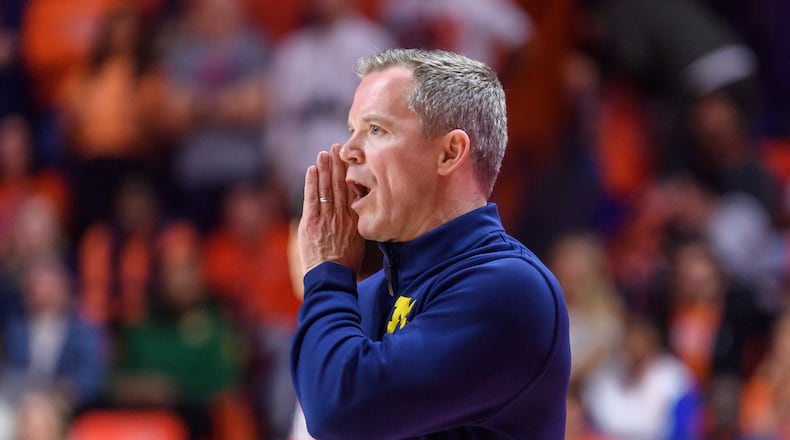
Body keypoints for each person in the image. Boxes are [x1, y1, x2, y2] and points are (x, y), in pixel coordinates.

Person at [290, 48, 571, 439]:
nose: (347, 150)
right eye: (351, 128)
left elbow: (338, 413)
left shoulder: (510, 289)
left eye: (375, 130)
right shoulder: (367, 295)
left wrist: (325, 272)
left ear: (450, 152)